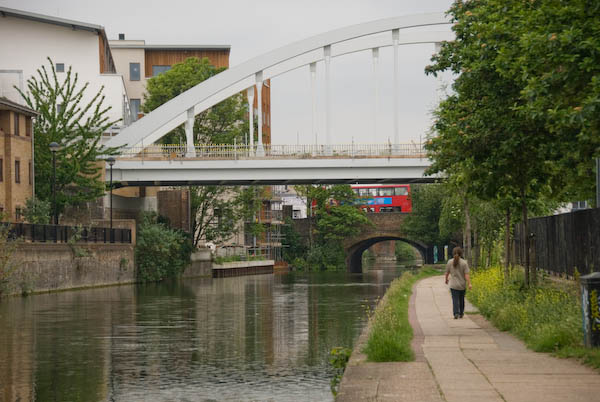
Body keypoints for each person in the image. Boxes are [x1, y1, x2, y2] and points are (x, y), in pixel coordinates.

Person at [445, 247, 472, 319]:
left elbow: (447, 273)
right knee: (461, 299)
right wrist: (469, 283)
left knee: (455, 300)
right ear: (461, 254)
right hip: (462, 285)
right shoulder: (464, 263)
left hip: (453, 285)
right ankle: (461, 313)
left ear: (453, 253)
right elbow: (466, 274)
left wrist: (446, 280)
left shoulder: (449, 262)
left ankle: (456, 313)